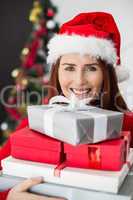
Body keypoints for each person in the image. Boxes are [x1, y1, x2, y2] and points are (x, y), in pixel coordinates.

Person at [0, 12, 131, 200]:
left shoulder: (128, 127)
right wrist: (9, 197)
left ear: (107, 74)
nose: (79, 81)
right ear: (57, 71)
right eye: (69, 67)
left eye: (91, 68)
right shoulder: (34, 124)